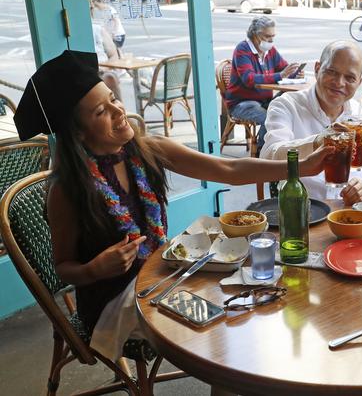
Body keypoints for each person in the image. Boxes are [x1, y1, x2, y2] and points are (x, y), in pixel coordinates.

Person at [12, 50, 331, 361]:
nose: (118, 110)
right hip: (114, 301)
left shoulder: (145, 150)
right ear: (78, 133)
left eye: (113, 97)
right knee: (232, 330)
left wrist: (302, 166)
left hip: (165, 273)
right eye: (101, 112)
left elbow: (229, 170)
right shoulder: (67, 190)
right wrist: (94, 268)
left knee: (247, 298)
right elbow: (64, 267)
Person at [261, 40, 362, 205]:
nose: (339, 83)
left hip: (351, 216)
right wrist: (317, 142)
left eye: (350, 78)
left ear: (359, 82)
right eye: (332, 71)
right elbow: (269, 156)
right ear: (317, 69)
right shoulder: (287, 105)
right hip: (302, 215)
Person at [226, 16, 300, 149]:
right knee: (270, 119)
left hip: (265, 102)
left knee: (289, 103)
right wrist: (281, 75)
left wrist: (295, 72)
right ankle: (263, 152)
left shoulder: (269, 50)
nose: (271, 40)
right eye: (267, 36)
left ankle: (286, 146)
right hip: (242, 103)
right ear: (255, 35)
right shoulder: (242, 50)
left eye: (273, 36)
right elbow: (249, 79)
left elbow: (283, 69)